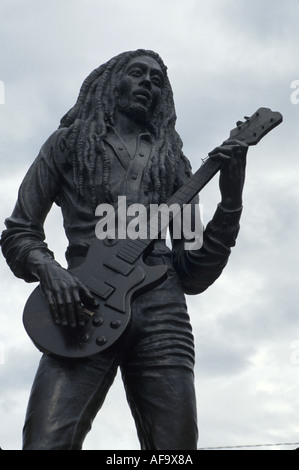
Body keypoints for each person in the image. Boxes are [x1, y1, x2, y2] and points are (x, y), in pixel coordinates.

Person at [0, 49, 247, 450]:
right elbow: (19, 232)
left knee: (176, 450)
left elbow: (194, 272)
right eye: (138, 73)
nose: (149, 81)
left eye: (157, 79)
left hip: (163, 310)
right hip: (82, 304)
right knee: (45, 441)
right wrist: (49, 271)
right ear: (110, 83)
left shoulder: (175, 165)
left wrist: (231, 201)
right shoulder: (68, 144)